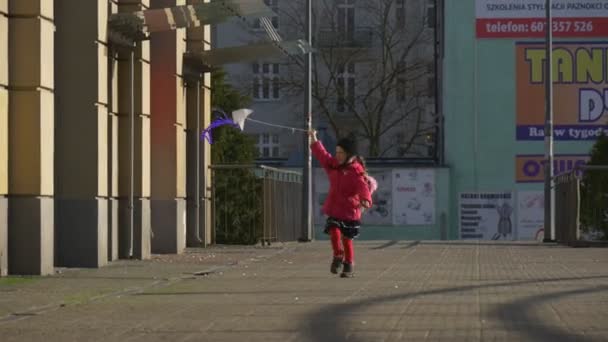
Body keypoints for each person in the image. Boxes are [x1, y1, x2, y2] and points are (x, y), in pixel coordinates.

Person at [309, 130, 372, 278]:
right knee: (334, 231)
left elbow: (363, 187)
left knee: (347, 239)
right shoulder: (333, 165)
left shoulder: (356, 172)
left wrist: (366, 200)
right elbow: (322, 155)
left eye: (341, 152)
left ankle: (348, 265)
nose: (337, 155)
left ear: (349, 154)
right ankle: (338, 254)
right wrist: (313, 138)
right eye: (336, 152)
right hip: (335, 208)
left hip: (350, 210)